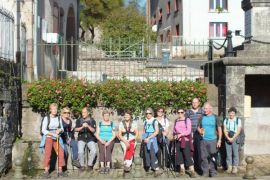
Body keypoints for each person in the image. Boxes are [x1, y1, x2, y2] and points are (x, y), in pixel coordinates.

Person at [41, 103, 67, 178]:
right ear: (50, 110)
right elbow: (43, 130)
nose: (55, 110)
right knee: (48, 154)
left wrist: (59, 131)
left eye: (56, 109)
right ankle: (46, 171)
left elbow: (62, 128)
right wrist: (52, 134)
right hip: (49, 137)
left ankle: (60, 170)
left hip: (57, 137)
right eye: (53, 109)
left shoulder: (59, 118)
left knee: (61, 152)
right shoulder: (47, 118)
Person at [197, 102, 222, 178]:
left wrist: (219, 140)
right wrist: (200, 131)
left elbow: (219, 129)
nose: (205, 110)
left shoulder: (215, 117)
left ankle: (213, 172)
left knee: (212, 157)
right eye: (204, 108)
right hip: (203, 140)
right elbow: (198, 127)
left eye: (206, 108)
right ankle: (205, 172)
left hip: (213, 140)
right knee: (203, 157)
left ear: (211, 109)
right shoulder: (201, 117)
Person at [173, 107, 196, 177]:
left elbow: (188, 131)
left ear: (184, 113)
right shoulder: (176, 120)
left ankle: (192, 171)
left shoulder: (187, 120)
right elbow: (174, 130)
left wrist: (180, 134)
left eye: (181, 112)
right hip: (178, 141)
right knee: (179, 156)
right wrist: (175, 135)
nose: (180, 114)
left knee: (187, 156)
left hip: (186, 140)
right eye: (178, 112)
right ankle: (182, 171)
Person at [75, 107, 97, 171]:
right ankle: (82, 166)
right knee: (80, 151)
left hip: (90, 138)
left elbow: (93, 130)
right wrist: (82, 127)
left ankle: (90, 165)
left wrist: (88, 126)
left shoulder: (92, 120)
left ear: (88, 113)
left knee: (94, 150)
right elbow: (76, 129)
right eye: (82, 112)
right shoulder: (79, 120)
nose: (83, 114)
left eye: (84, 112)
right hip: (81, 138)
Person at [186, 98, 204, 174]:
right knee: (191, 151)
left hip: (199, 134)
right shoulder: (188, 112)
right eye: (193, 102)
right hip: (190, 133)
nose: (194, 104)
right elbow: (185, 122)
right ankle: (192, 167)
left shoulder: (202, 112)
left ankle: (199, 167)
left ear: (199, 103)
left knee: (199, 151)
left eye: (196, 102)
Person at [95, 110, 116, 174]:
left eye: (107, 115)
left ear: (109, 116)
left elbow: (114, 135)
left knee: (108, 150)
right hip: (101, 139)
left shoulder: (112, 123)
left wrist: (109, 142)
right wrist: (101, 140)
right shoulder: (100, 123)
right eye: (105, 115)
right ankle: (102, 167)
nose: (106, 117)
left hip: (110, 139)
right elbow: (96, 134)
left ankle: (108, 166)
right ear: (103, 116)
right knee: (101, 151)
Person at [141, 108, 161, 174]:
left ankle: (156, 168)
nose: (148, 115)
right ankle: (149, 167)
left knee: (153, 153)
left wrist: (149, 138)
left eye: (149, 113)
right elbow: (144, 130)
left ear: (152, 113)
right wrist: (143, 138)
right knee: (147, 154)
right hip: (146, 139)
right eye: (147, 113)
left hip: (152, 139)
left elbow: (156, 132)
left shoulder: (155, 121)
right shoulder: (145, 121)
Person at [223, 107, 242, 174]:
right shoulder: (226, 120)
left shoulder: (238, 120)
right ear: (228, 113)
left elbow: (238, 131)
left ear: (235, 113)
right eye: (230, 113)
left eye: (233, 113)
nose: (231, 114)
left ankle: (235, 167)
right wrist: (228, 138)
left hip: (235, 137)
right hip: (228, 137)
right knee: (228, 153)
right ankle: (229, 167)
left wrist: (233, 138)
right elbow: (225, 130)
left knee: (235, 153)